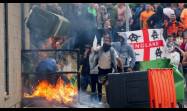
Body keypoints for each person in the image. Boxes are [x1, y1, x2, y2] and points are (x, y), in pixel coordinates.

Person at [90, 33, 121, 102]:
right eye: (105, 39)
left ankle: (110, 101)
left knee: (108, 87)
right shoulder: (100, 48)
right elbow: (94, 50)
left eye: (107, 39)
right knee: (100, 86)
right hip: (101, 71)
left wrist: (120, 69)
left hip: (108, 71)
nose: (106, 40)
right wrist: (93, 49)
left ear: (110, 41)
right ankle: (99, 101)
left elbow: (118, 59)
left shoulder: (112, 50)